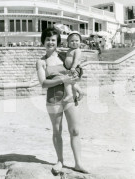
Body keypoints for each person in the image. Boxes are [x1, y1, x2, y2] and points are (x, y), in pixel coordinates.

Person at [36, 27, 89, 174]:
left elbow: (71, 75)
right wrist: (61, 79)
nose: (50, 42)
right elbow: (43, 83)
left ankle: (78, 163)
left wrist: (77, 87)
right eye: (47, 39)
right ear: (43, 42)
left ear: (57, 42)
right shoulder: (41, 62)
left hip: (69, 97)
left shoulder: (62, 57)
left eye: (53, 40)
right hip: (53, 100)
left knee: (75, 130)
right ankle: (60, 161)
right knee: (57, 131)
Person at [63, 31, 84, 102]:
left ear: (80, 42)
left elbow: (76, 60)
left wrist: (73, 67)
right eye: (72, 41)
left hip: (75, 68)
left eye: (76, 41)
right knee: (71, 82)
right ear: (68, 42)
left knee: (68, 81)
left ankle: (71, 94)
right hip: (71, 69)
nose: (74, 42)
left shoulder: (77, 50)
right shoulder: (70, 50)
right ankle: (80, 92)